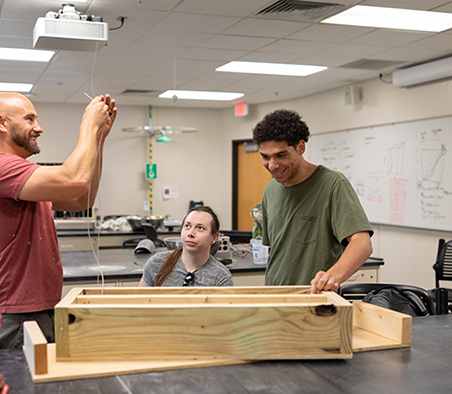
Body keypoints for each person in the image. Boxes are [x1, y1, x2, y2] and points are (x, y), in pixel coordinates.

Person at [0, 92, 116, 348]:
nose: (39, 128)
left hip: (38, 310)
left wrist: (98, 137)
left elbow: (81, 199)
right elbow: (74, 181)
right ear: (1, 123)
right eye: (29, 119)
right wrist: (87, 124)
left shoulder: (25, 177)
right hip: (13, 316)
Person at [252, 109, 373, 294]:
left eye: (280, 155)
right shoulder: (270, 189)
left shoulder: (333, 184)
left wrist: (333, 276)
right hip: (274, 297)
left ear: (300, 147)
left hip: (314, 299)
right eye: (265, 157)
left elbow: (362, 243)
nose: (272, 165)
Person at [139, 206, 233, 287]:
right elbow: (140, 303)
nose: (190, 233)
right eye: (187, 226)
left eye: (200, 228)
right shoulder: (156, 263)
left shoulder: (221, 277)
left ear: (214, 237)